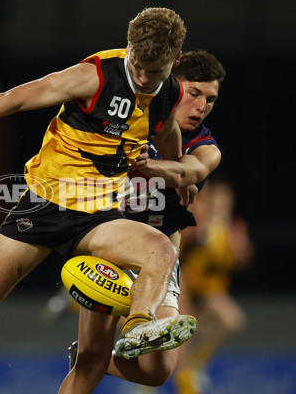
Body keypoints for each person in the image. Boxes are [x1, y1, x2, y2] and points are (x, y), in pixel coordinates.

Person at [0, 7, 196, 394]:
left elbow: (167, 131)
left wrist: (178, 173)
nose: (143, 77)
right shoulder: (95, 75)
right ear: (129, 48)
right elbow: (12, 99)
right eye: (137, 66)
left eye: (154, 71)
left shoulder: (170, 92)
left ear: (176, 59)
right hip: (46, 205)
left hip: (101, 216)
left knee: (160, 250)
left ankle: (138, 329)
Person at [64, 50, 227, 390]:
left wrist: (150, 166)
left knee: (158, 371)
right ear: (171, 87)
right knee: (87, 370)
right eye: (194, 93)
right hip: (112, 252)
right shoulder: (123, 122)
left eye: (210, 99)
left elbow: (190, 170)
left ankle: (94, 357)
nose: (201, 106)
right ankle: (91, 358)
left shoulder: (206, 146)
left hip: (162, 261)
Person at [174, 177, 254, 394]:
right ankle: (182, 377)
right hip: (188, 285)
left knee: (232, 320)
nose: (222, 209)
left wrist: (238, 247)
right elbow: (183, 246)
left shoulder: (234, 229)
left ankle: (196, 364)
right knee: (183, 327)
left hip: (210, 290)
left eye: (226, 205)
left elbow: (243, 259)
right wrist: (202, 234)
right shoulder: (199, 221)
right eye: (218, 204)